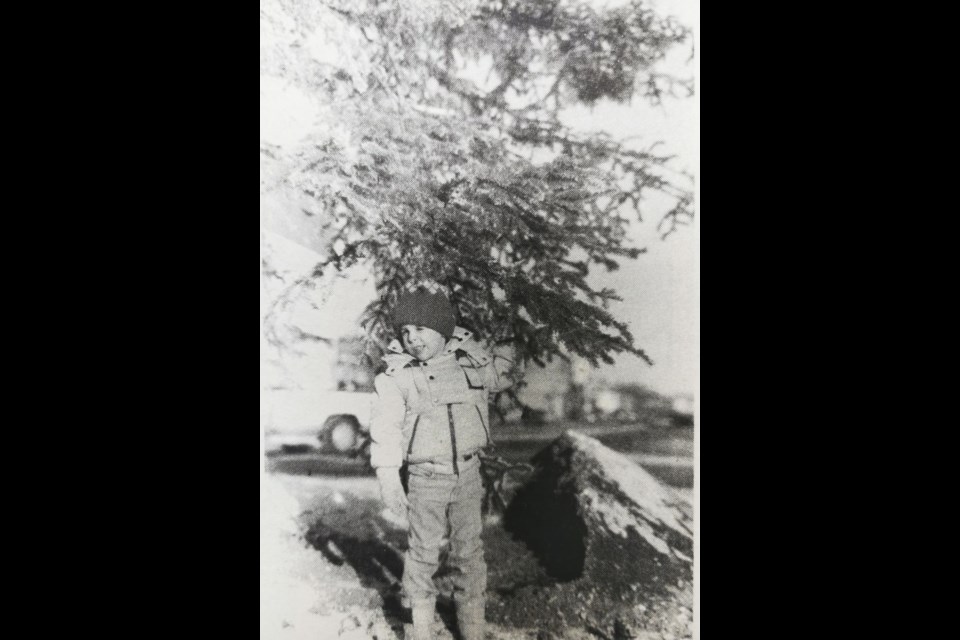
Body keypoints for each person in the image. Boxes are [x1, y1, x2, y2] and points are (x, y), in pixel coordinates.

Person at [370, 285, 514, 640]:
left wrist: (509, 326)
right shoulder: (398, 376)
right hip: (425, 479)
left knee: (470, 553)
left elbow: (502, 375)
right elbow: (385, 428)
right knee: (422, 553)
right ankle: (420, 629)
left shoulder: (469, 360)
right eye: (404, 331)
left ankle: (472, 628)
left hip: (468, 474)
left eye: (420, 328)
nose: (412, 338)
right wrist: (389, 477)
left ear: (442, 328)